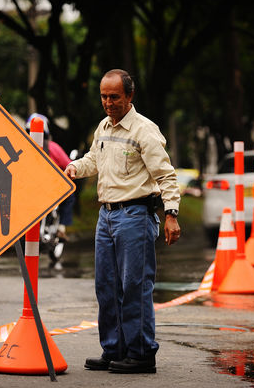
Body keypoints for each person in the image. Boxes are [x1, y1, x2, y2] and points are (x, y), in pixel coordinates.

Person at [64, 69, 181, 374]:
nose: (108, 102)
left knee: (134, 286)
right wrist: (74, 168)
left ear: (130, 96)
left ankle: (141, 353)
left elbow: (165, 175)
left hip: (135, 216)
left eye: (115, 96)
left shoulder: (145, 130)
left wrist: (171, 214)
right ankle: (114, 349)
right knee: (106, 286)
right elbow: (94, 160)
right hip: (107, 216)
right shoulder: (103, 126)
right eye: (104, 96)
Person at [26, 113, 75, 241]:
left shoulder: (21, 148)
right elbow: (68, 164)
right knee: (69, 196)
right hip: (52, 190)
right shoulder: (53, 147)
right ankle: (61, 229)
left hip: (28, 189)